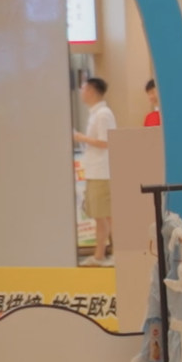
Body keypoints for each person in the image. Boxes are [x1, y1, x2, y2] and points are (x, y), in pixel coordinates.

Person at [72, 77, 116, 266]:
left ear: (91, 91)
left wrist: (81, 137)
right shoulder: (96, 114)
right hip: (95, 172)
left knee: (107, 215)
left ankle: (116, 254)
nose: (82, 93)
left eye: (84, 89)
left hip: (102, 172)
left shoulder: (103, 114)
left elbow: (107, 142)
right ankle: (100, 255)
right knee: (101, 216)